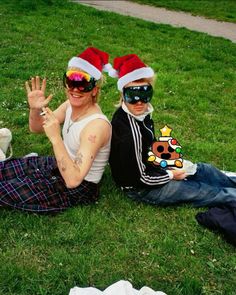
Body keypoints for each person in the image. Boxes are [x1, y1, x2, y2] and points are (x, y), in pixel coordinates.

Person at [108, 53, 236, 207]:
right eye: (132, 95)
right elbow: (139, 179)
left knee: (202, 170)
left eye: (145, 93)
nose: (140, 101)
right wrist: (170, 174)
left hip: (152, 168)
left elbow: (149, 148)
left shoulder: (141, 113)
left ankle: (231, 181)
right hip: (140, 187)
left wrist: (167, 163)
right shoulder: (128, 133)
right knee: (202, 191)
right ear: (123, 94)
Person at [0, 47, 111, 213]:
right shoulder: (69, 106)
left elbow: (73, 180)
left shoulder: (96, 127)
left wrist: (56, 138)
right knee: (3, 170)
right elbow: (37, 128)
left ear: (95, 89)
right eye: (71, 82)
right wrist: (35, 109)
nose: (75, 90)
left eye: (83, 85)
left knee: (3, 190)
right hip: (60, 165)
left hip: (79, 187)